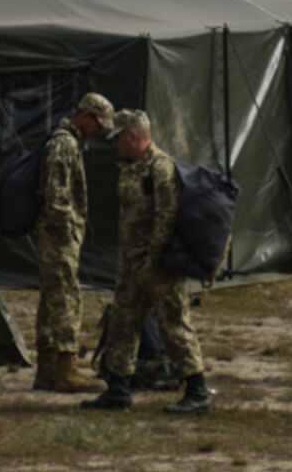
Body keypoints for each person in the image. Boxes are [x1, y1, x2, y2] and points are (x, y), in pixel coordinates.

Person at [81, 110, 210, 416]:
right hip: (131, 265)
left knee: (175, 326)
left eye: (118, 139)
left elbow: (167, 218)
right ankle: (118, 390)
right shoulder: (130, 168)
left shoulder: (160, 169)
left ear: (133, 137)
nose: (114, 145)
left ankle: (197, 392)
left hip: (158, 266)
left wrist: (156, 260)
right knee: (123, 325)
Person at [32, 92, 114, 394]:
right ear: (86, 116)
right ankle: (66, 370)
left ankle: (47, 368)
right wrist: (69, 230)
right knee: (67, 299)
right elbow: (56, 195)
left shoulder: (66, 142)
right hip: (57, 235)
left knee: (52, 301)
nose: (100, 132)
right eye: (98, 124)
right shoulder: (64, 144)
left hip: (54, 234)